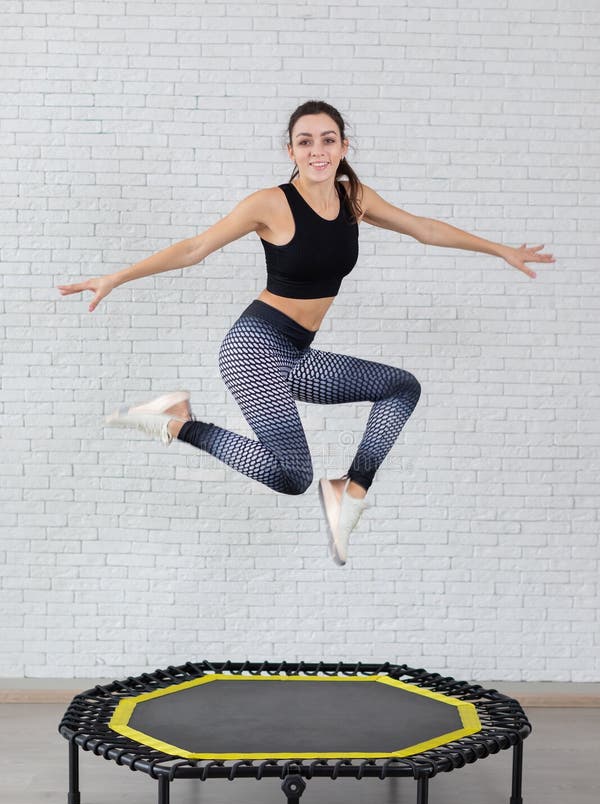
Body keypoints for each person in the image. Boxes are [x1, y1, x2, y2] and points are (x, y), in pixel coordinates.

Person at [57, 100, 555, 565]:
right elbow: (193, 249)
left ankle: (350, 488)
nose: (318, 151)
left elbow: (423, 227)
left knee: (399, 389)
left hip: (293, 352)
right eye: (306, 141)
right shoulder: (270, 203)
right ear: (290, 149)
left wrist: (500, 249)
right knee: (293, 476)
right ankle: (177, 422)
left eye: (328, 140)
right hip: (253, 346)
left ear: (343, 147)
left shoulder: (352, 196)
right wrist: (114, 277)